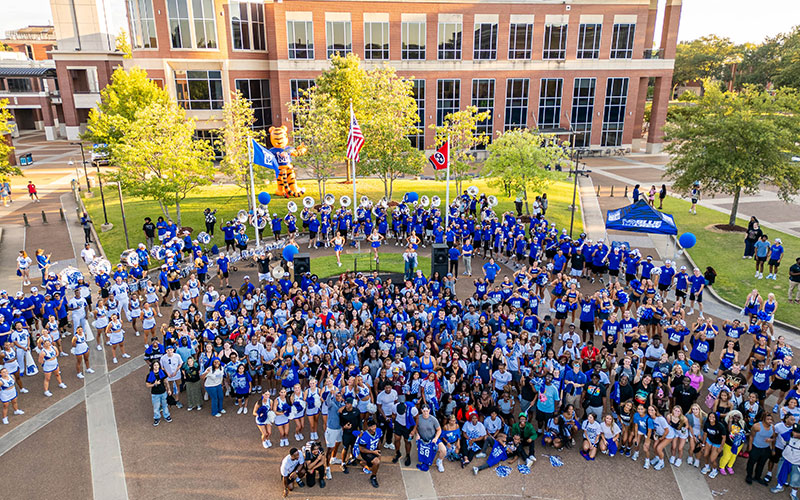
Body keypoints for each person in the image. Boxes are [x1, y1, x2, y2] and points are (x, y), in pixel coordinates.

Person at [356, 418, 383, 488]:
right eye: (371, 426)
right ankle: (373, 477)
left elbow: (379, 440)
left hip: (374, 450)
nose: (373, 428)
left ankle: (363, 463)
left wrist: (378, 449)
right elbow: (361, 448)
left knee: (374, 464)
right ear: (368, 428)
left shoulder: (379, 431)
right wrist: (373, 452)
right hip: (366, 452)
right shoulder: (365, 436)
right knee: (376, 462)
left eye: (374, 426)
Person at [146, 360, 172, 426]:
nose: (156, 366)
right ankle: (157, 418)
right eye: (155, 365)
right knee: (156, 407)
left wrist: (169, 389)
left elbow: (166, 381)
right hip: (155, 393)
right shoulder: (150, 375)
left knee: (165, 405)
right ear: (152, 366)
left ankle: (166, 415)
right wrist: (154, 384)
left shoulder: (162, 372)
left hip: (163, 392)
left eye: (157, 365)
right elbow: (147, 385)